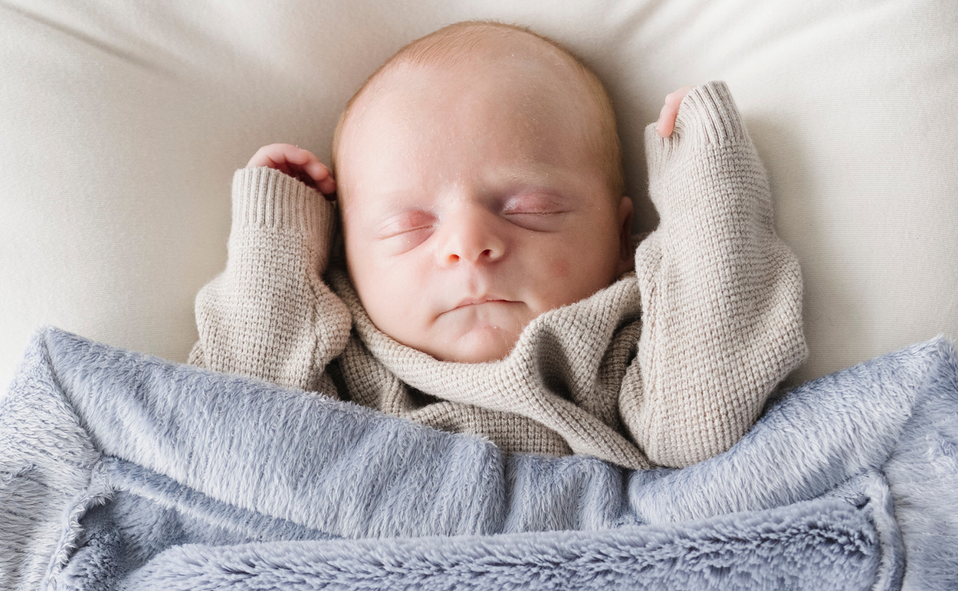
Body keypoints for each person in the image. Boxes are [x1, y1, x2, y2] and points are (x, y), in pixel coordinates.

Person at [189, 20, 805, 469]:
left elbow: (702, 426)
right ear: (345, 253)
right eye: (408, 227)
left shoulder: (628, 351)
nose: (468, 244)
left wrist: (706, 187)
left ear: (621, 238)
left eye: (529, 209)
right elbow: (238, 440)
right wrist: (277, 244)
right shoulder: (349, 370)